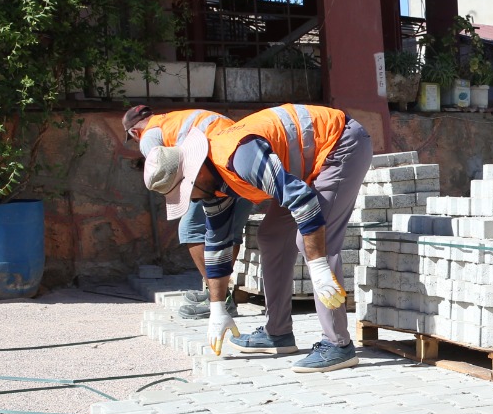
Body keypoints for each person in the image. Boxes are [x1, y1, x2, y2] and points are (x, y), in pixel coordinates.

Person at [142, 103, 372, 373]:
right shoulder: (213, 186)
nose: (190, 198)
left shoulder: (238, 156)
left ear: (195, 174)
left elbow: (302, 201)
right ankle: (278, 332)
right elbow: (217, 243)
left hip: (340, 144)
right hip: (306, 166)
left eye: (186, 191)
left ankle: (338, 345)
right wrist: (218, 307)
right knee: (272, 236)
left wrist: (319, 267)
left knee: (316, 241)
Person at [123, 105, 252, 319]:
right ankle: (221, 295)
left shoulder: (148, 136)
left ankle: (218, 297)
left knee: (191, 228)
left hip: (215, 173)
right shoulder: (175, 119)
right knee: (230, 231)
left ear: (134, 132)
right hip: (245, 163)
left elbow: (163, 169)